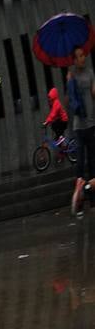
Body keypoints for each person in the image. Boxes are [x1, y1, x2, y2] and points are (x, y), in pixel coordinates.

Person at [66, 46, 95, 216]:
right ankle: (79, 200)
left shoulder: (90, 73)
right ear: (74, 60)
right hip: (79, 125)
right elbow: (69, 101)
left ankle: (91, 199)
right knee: (80, 163)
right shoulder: (71, 75)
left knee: (93, 162)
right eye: (78, 56)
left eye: (83, 55)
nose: (82, 58)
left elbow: (93, 93)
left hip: (91, 123)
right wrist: (70, 83)